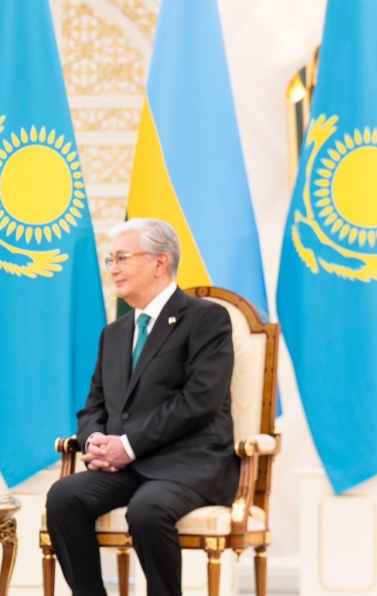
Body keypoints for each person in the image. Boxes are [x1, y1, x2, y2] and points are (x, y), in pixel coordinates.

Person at [46, 218, 238, 596]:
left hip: (189, 465)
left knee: (147, 511)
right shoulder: (114, 332)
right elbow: (93, 405)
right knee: (63, 497)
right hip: (125, 466)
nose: (113, 268)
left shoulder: (206, 319)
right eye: (110, 260)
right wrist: (95, 440)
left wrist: (128, 444)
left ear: (160, 262)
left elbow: (199, 400)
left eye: (122, 258)